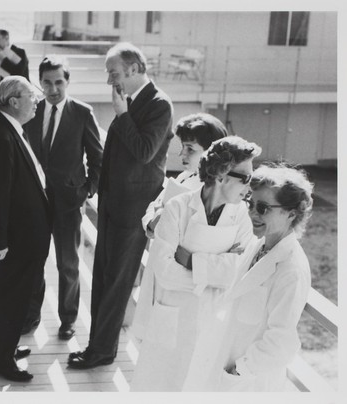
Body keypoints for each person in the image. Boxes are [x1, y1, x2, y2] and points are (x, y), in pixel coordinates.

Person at [67, 42, 174, 369]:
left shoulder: (159, 105)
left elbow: (144, 151)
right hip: (113, 205)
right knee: (102, 277)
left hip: (134, 211)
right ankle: (98, 346)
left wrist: (123, 115)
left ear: (133, 69)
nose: (109, 80)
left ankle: (100, 351)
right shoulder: (127, 101)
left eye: (113, 73)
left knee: (116, 282)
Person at [131, 136, 261, 391]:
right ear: (222, 174)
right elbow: (164, 271)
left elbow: (236, 272)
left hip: (213, 320)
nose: (249, 188)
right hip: (172, 317)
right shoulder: (178, 207)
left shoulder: (242, 217)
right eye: (246, 178)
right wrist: (214, 275)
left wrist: (191, 261)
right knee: (159, 385)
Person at [183, 163, 313, 391]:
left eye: (263, 208)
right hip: (223, 364)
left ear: (291, 213)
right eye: (250, 204)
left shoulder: (291, 268)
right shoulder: (258, 245)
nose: (252, 213)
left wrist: (240, 369)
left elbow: (281, 342)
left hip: (249, 382)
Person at [0, 76, 51, 382]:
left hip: (22, 237)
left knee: (11, 295)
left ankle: (2, 349)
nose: (37, 101)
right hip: (12, 240)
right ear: (14, 101)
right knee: (6, 295)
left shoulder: (10, 130)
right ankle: (0, 361)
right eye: (32, 96)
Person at [22, 55, 103, 339]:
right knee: (33, 260)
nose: (53, 88)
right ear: (39, 82)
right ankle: (30, 316)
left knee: (68, 263)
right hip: (33, 201)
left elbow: (97, 158)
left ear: (67, 81)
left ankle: (68, 318)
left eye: (58, 82)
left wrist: (85, 191)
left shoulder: (82, 112)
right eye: (47, 82)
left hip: (68, 201)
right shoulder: (29, 110)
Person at [132, 113, 228, 340]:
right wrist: (153, 220)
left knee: (175, 336)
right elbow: (152, 208)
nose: (182, 154)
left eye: (190, 149)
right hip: (160, 264)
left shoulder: (212, 192)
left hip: (181, 276)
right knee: (154, 329)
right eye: (182, 147)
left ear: (210, 153)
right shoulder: (183, 178)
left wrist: (162, 220)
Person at [0, 29, 30, 94]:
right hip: (5, 94)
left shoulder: (20, 52)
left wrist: (4, 59)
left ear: (6, 38)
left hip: (21, 93)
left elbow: (19, 73)